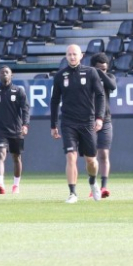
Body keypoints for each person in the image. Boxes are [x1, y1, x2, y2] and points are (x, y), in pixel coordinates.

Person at [50, 44, 106, 204]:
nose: (72, 57)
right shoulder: (60, 75)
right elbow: (54, 101)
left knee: (91, 161)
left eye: (75, 54)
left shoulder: (90, 72)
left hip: (87, 122)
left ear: (81, 55)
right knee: (71, 157)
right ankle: (73, 193)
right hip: (68, 122)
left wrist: (99, 118)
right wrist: (53, 125)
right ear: (66, 56)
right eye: (69, 55)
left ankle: (93, 181)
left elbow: (100, 95)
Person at [0, 65, 30, 195]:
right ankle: (0, 185)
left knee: (16, 158)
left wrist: (25, 125)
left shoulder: (19, 91)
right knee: (0, 155)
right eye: (2, 73)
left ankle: (16, 185)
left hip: (16, 130)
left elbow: (25, 109)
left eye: (7, 72)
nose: (4, 74)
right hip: (1, 131)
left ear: (11, 75)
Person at [89, 52, 116, 199]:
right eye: (99, 68)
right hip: (89, 120)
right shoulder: (87, 79)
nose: (102, 71)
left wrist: (101, 74)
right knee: (91, 156)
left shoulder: (109, 78)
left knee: (104, 154)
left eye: (104, 68)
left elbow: (112, 86)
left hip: (105, 120)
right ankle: (93, 185)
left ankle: (104, 186)